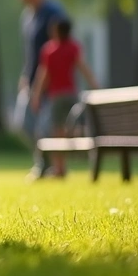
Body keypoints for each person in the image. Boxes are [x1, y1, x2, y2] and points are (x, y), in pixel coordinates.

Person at [16, 0, 68, 180]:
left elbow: (59, 49)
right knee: (24, 123)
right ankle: (44, 162)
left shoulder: (53, 13)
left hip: (52, 83)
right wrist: (25, 75)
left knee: (47, 126)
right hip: (32, 80)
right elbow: (30, 52)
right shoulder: (28, 16)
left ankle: (48, 165)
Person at [30, 18, 99, 177]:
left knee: (57, 131)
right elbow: (83, 67)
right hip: (71, 94)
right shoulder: (73, 47)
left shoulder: (49, 50)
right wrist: (95, 85)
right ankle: (64, 166)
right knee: (71, 129)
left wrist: (37, 95)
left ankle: (59, 167)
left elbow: (44, 75)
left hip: (57, 97)